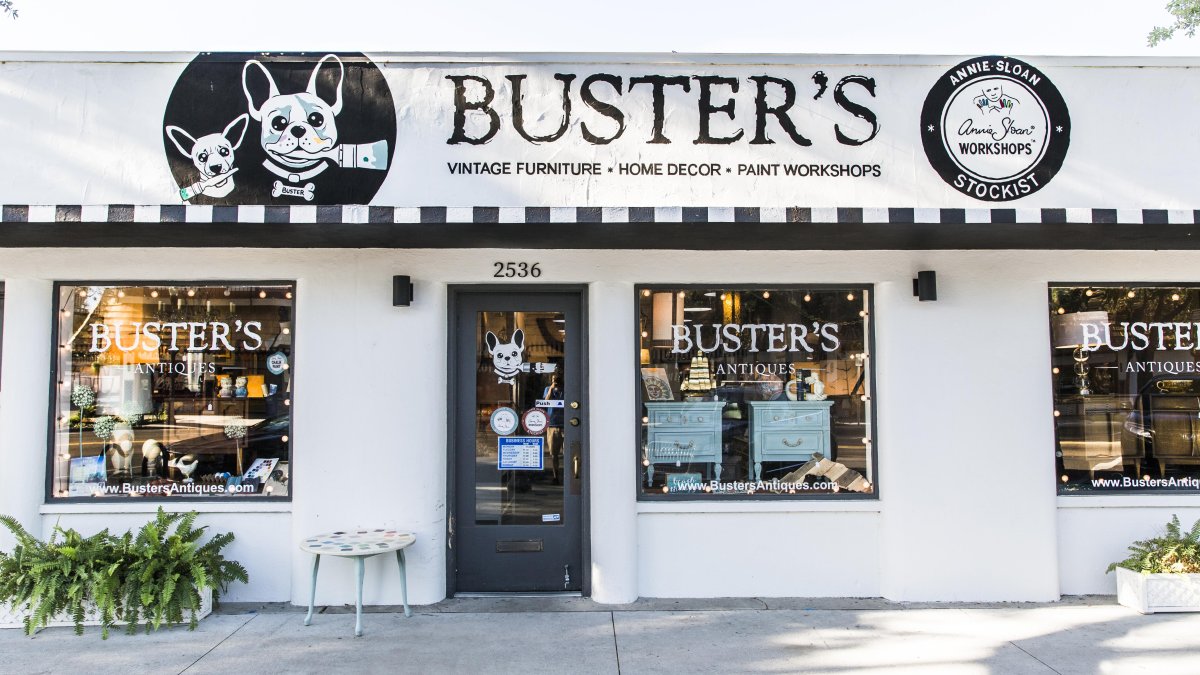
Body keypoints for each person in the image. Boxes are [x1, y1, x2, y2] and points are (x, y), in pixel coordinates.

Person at [543, 375, 564, 482]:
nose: (555, 381)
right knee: (553, 454)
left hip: (565, 424)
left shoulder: (565, 389)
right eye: (553, 379)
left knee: (568, 452)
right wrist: (551, 388)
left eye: (557, 379)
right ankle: (555, 476)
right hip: (552, 424)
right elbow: (546, 402)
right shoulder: (548, 389)